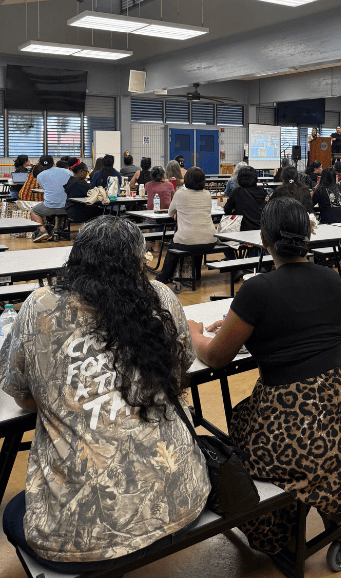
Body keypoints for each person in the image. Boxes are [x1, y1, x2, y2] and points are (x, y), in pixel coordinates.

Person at [0, 216, 210, 572]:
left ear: (76, 257)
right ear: (139, 260)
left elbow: (23, 394)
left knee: (14, 513)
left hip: (77, 539)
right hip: (183, 499)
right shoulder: (160, 297)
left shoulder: (39, 306)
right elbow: (183, 364)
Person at [187, 197, 341, 554]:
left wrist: (194, 333)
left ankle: (277, 520)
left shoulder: (257, 290)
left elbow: (216, 357)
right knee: (317, 451)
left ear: (264, 240)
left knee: (240, 423)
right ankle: (334, 516)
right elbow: (310, 329)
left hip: (290, 424)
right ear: (309, 235)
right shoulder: (331, 278)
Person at [157, 167, 218, 284]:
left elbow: (170, 213)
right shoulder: (207, 194)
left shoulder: (180, 194)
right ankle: (197, 274)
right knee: (197, 240)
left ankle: (164, 277)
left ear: (186, 179)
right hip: (210, 240)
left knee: (172, 249)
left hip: (187, 240)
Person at [30, 155, 72, 242]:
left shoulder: (40, 176)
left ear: (41, 165)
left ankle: (42, 231)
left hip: (49, 207)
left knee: (34, 211)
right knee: (60, 208)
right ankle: (56, 229)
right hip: (66, 207)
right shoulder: (67, 172)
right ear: (54, 163)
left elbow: (45, 189)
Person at [223, 165, 267, 231]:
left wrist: (235, 213)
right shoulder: (261, 191)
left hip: (243, 230)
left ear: (239, 179)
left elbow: (227, 209)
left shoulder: (237, 192)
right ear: (255, 178)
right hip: (260, 230)